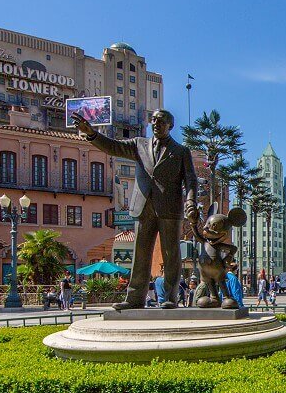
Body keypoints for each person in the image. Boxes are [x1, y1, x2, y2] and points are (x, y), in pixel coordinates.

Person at [74, 108, 200, 309]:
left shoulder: (181, 151)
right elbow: (113, 147)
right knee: (140, 254)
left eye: (161, 121)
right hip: (143, 207)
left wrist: (191, 201)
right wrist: (92, 134)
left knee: (171, 255)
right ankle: (134, 299)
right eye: (154, 121)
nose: (156, 124)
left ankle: (170, 298)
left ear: (171, 126)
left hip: (170, 208)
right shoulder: (138, 144)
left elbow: (191, 180)